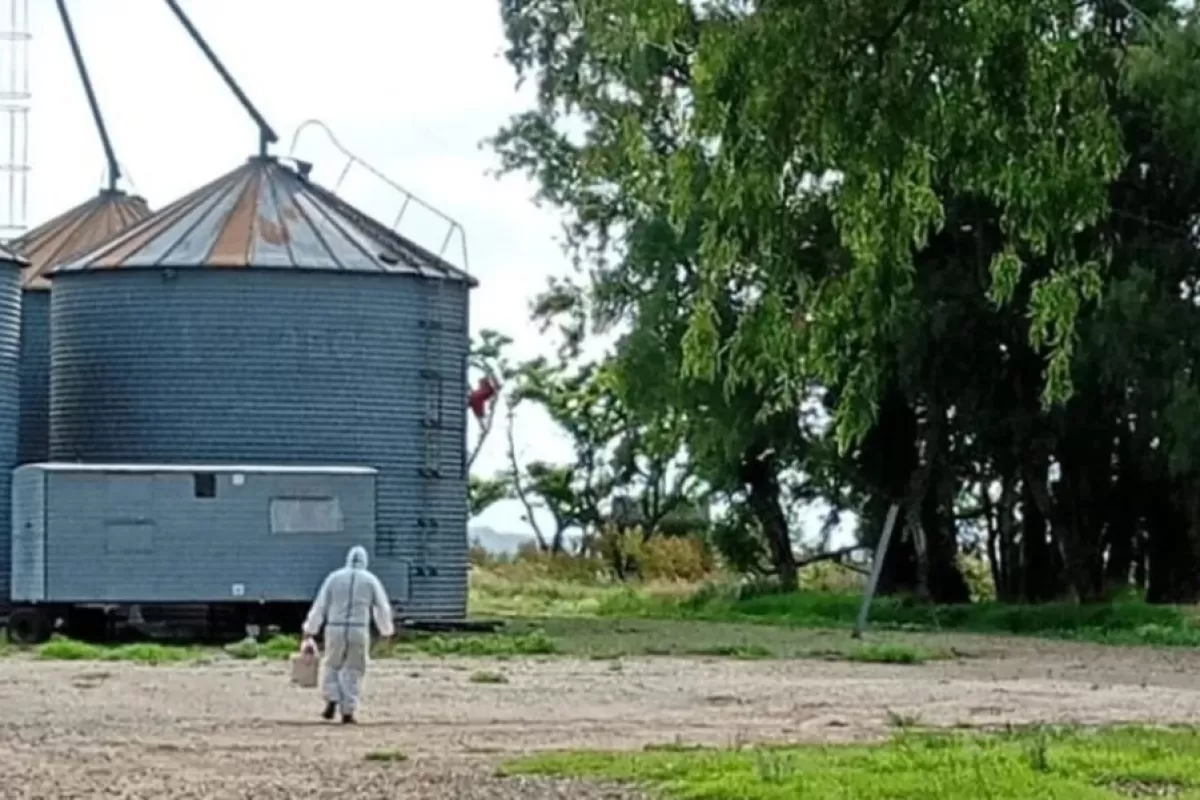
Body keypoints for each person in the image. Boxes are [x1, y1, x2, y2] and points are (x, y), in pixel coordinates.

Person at [302, 545, 395, 724]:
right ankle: (348, 711)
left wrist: (310, 629)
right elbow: (382, 608)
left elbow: (320, 605)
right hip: (358, 629)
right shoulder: (370, 580)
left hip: (334, 628)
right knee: (354, 668)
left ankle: (331, 699)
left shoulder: (334, 578)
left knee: (331, 664)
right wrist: (386, 631)